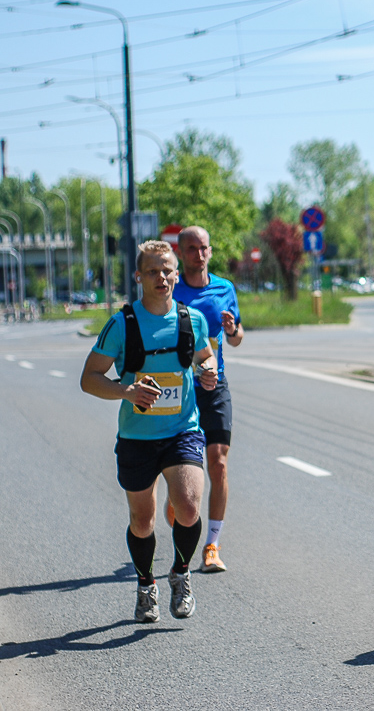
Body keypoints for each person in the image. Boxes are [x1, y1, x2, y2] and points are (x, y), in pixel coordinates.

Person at [81, 240, 218, 622]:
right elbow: (89, 379)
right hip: (137, 437)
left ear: (177, 274)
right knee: (143, 520)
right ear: (139, 276)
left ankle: (180, 572)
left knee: (188, 508)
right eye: (154, 270)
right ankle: (146, 584)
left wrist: (209, 372)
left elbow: (206, 357)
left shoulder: (193, 320)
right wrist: (127, 390)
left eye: (168, 269)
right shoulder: (122, 324)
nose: (162, 277)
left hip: (182, 430)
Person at [171, 226, 243, 573]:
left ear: (210, 252)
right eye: (191, 249)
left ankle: (212, 545)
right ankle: (176, 500)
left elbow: (238, 337)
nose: (198, 254)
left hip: (216, 384)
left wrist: (231, 330)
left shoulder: (224, 288)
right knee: (183, 465)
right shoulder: (172, 291)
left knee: (218, 462)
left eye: (203, 248)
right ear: (181, 253)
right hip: (183, 388)